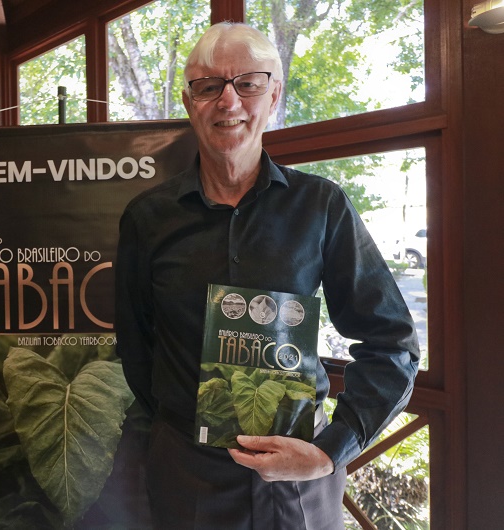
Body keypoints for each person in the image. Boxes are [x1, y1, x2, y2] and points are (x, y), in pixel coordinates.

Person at [115, 21, 420, 529]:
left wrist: (330, 450)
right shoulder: (147, 218)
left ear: (274, 95)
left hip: (302, 474)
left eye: (248, 83)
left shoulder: (321, 206)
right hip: (187, 477)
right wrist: (185, 426)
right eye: (208, 86)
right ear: (190, 103)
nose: (228, 100)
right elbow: (137, 348)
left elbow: (392, 342)